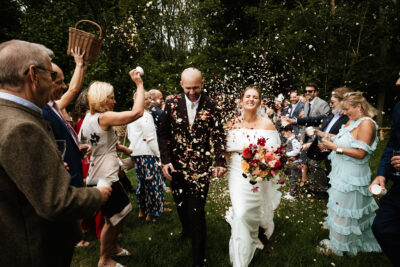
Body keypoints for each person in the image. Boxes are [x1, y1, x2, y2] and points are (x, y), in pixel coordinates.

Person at [0, 39, 111, 266]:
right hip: (35, 250)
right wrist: (99, 194)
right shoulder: (22, 126)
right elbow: (57, 202)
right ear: (33, 74)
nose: (53, 83)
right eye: (50, 75)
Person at [158, 67, 226, 267]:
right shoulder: (170, 103)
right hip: (176, 166)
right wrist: (165, 160)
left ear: (202, 83)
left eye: (196, 87)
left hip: (201, 168)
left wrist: (220, 161)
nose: (192, 92)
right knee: (181, 204)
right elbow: (163, 134)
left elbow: (219, 135)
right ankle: (187, 230)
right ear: (181, 85)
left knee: (196, 211)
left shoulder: (212, 105)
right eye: (188, 88)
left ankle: (199, 260)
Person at [79, 75, 145, 267]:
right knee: (112, 220)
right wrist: (139, 85)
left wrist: (122, 149)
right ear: (101, 98)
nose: (114, 101)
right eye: (111, 97)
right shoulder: (104, 116)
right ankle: (104, 259)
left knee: (122, 212)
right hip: (106, 176)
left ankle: (113, 248)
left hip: (98, 173)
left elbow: (88, 143)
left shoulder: (87, 119)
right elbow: (136, 113)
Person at [318, 91, 381, 256]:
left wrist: (334, 148)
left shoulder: (366, 123)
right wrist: (328, 140)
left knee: (346, 212)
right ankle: (341, 241)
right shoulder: (352, 122)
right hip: (341, 174)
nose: (345, 113)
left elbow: (361, 153)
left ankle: (339, 249)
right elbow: (343, 140)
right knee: (339, 209)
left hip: (352, 177)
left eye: (347, 109)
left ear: (358, 106)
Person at [225, 86, 281, 267]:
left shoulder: (267, 124)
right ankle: (241, 260)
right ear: (241, 100)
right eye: (247, 96)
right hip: (236, 171)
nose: (251, 99)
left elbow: (275, 153)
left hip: (258, 173)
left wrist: (263, 166)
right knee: (241, 212)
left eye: (255, 97)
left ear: (260, 101)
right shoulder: (232, 123)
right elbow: (225, 151)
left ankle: (254, 236)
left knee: (254, 208)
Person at [286, 87, 350, 198]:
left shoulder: (348, 118)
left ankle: (328, 191)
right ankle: (319, 186)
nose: (330, 105)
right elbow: (314, 119)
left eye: (332, 102)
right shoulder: (332, 113)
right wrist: (296, 120)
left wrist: (325, 140)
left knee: (331, 170)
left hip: (333, 147)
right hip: (319, 142)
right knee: (311, 162)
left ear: (343, 102)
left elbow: (345, 138)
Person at [370, 73, 400, 266]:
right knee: (382, 227)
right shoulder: (399, 106)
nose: (397, 82)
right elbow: (392, 144)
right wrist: (382, 173)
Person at [127, 91, 164, 222]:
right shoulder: (146, 116)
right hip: (147, 153)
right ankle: (152, 212)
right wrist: (159, 155)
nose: (149, 101)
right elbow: (150, 139)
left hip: (136, 153)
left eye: (150, 98)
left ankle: (142, 210)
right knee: (153, 183)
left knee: (141, 183)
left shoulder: (131, 115)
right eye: (145, 98)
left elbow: (130, 136)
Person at [280, 125, 301, 200]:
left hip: (295, 162)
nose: (284, 135)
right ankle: (291, 191)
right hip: (290, 162)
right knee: (290, 177)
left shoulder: (294, 140)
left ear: (289, 131)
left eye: (284, 133)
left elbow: (297, 151)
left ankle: (293, 194)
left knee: (293, 178)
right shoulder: (289, 140)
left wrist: (287, 154)